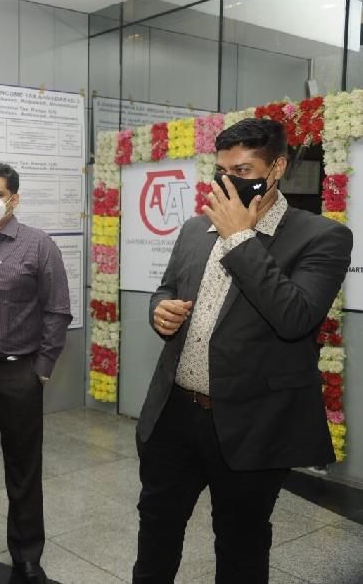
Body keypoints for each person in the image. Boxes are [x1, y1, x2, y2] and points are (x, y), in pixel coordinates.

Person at [133, 118, 353, 583]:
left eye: (244, 169)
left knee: (241, 546)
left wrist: (239, 238)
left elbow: (295, 317)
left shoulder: (322, 237)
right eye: (223, 170)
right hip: (175, 415)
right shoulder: (195, 229)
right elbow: (167, 287)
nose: (229, 180)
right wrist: (160, 310)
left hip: (253, 424)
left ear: (277, 168)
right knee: (156, 534)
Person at [0, 163, 72, 584]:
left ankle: (26, 552)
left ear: (14, 199)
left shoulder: (38, 245)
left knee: (23, 467)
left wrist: (41, 369)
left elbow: (58, 310)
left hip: (18, 372)